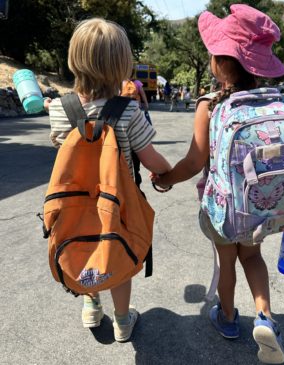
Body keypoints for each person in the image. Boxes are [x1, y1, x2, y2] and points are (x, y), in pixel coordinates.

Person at [152, 5, 284, 364]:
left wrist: (164, 178)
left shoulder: (209, 105)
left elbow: (194, 162)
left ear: (219, 62)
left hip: (223, 208)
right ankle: (265, 317)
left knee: (226, 262)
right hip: (259, 204)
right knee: (254, 257)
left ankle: (228, 319)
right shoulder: (272, 101)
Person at [44, 17, 171, 342]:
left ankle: (90, 304)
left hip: (75, 206)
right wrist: (165, 174)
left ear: (75, 59)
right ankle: (122, 320)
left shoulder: (60, 109)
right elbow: (151, 159)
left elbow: (60, 145)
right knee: (115, 254)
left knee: (86, 247)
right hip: (118, 205)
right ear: (122, 64)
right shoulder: (128, 112)